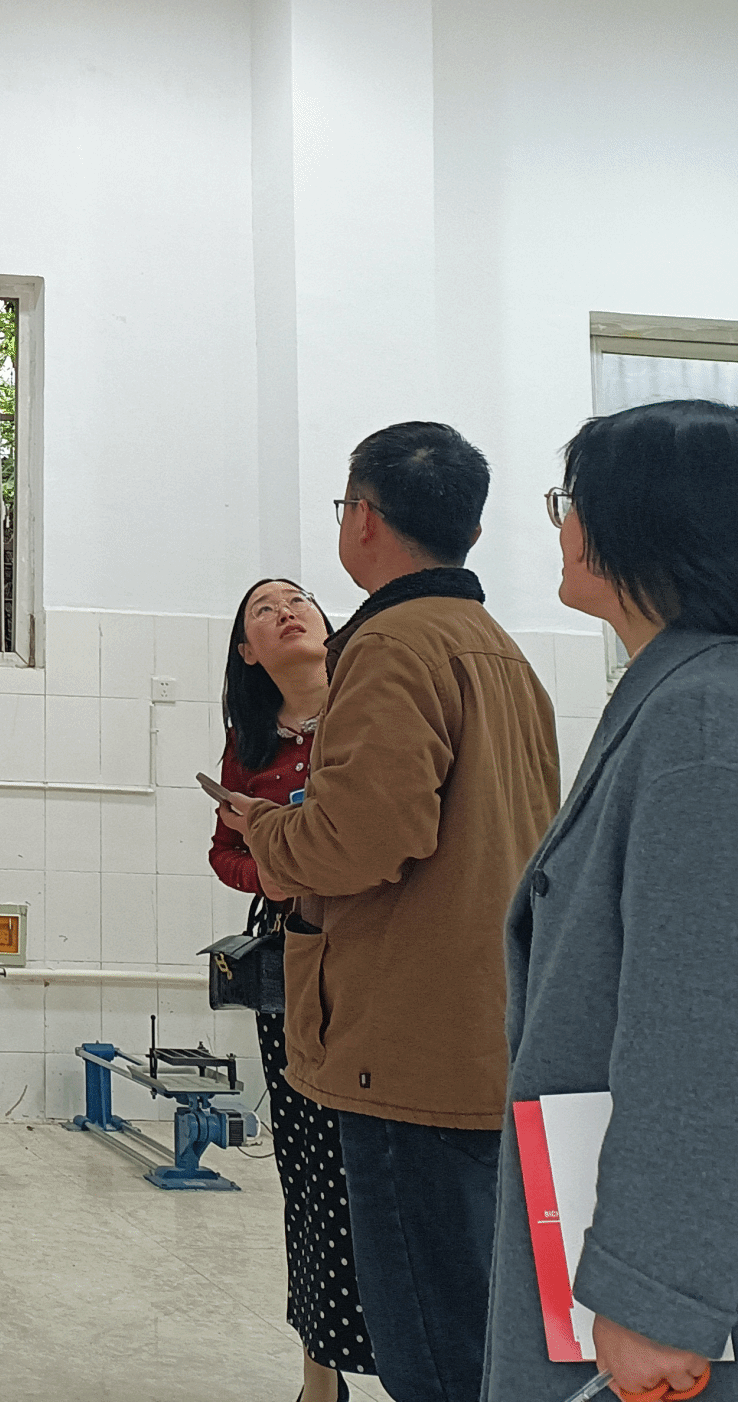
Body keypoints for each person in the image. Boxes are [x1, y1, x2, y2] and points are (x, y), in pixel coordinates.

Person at [219, 422, 558, 1402]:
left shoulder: (388, 646)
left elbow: (363, 840)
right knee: (479, 1322)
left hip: (404, 1044)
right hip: (484, 1025)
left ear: (362, 519)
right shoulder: (501, 652)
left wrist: (268, 831)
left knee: (431, 1348)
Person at [483, 400, 738, 1402]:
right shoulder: (676, 690)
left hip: (667, 1299)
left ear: (640, 523)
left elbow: (700, 1026)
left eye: (570, 501)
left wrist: (655, 1292)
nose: (561, 523)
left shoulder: (702, 718)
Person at [210, 578, 375, 1402]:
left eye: (299, 598)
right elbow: (225, 853)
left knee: (386, 1158)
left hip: (385, 958)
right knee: (309, 1164)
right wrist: (269, 872)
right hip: (295, 965)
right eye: (264, 609)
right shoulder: (251, 746)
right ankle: (320, 1374)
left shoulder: (374, 708)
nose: (286, 610)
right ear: (248, 651)